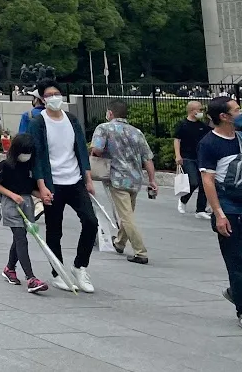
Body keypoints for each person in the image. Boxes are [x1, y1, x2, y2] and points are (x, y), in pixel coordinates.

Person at [28, 81, 98, 293]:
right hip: (52, 184)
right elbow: (37, 156)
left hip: (74, 180)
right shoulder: (38, 123)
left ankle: (79, 266)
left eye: (57, 93)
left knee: (90, 222)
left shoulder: (72, 120)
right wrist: (41, 186)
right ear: (42, 99)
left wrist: (88, 178)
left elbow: (81, 150)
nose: (54, 97)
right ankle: (58, 272)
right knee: (54, 230)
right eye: (49, 95)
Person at [198, 95, 242, 332]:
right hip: (229, 210)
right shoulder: (209, 143)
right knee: (237, 262)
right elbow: (208, 179)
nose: (241, 112)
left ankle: (238, 291)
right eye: (236, 109)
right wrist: (218, 213)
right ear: (223, 116)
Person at [90, 100, 157, 264]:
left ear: (110, 113)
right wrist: (152, 180)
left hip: (117, 178)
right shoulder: (137, 132)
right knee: (128, 213)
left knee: (126, 216)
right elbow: (147, 158)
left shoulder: (104, 128)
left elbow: (97, 150)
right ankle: (119, 243)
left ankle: (140, 251)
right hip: (135, 179)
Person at [0, 133, 48, 293]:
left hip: (26, 204)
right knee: (21, 238)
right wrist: (12, 195)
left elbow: (29, 188)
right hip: (11, 205)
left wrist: (43, 196)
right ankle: (30, 278)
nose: (27, 155)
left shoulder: (29, 166)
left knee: (19, 238)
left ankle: (9, 268)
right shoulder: (5, 165)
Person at [175, 100, 212, 219]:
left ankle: (200, 209)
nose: (201, 112)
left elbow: (211, 132)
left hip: (200, 157)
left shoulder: (201, 125)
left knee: (204, 184)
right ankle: (183, 199)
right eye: (200, 109)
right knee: (193, 181)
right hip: (187, 157)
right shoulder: (183, 124)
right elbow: (177, 140)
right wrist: (178, 155)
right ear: (192, 110)